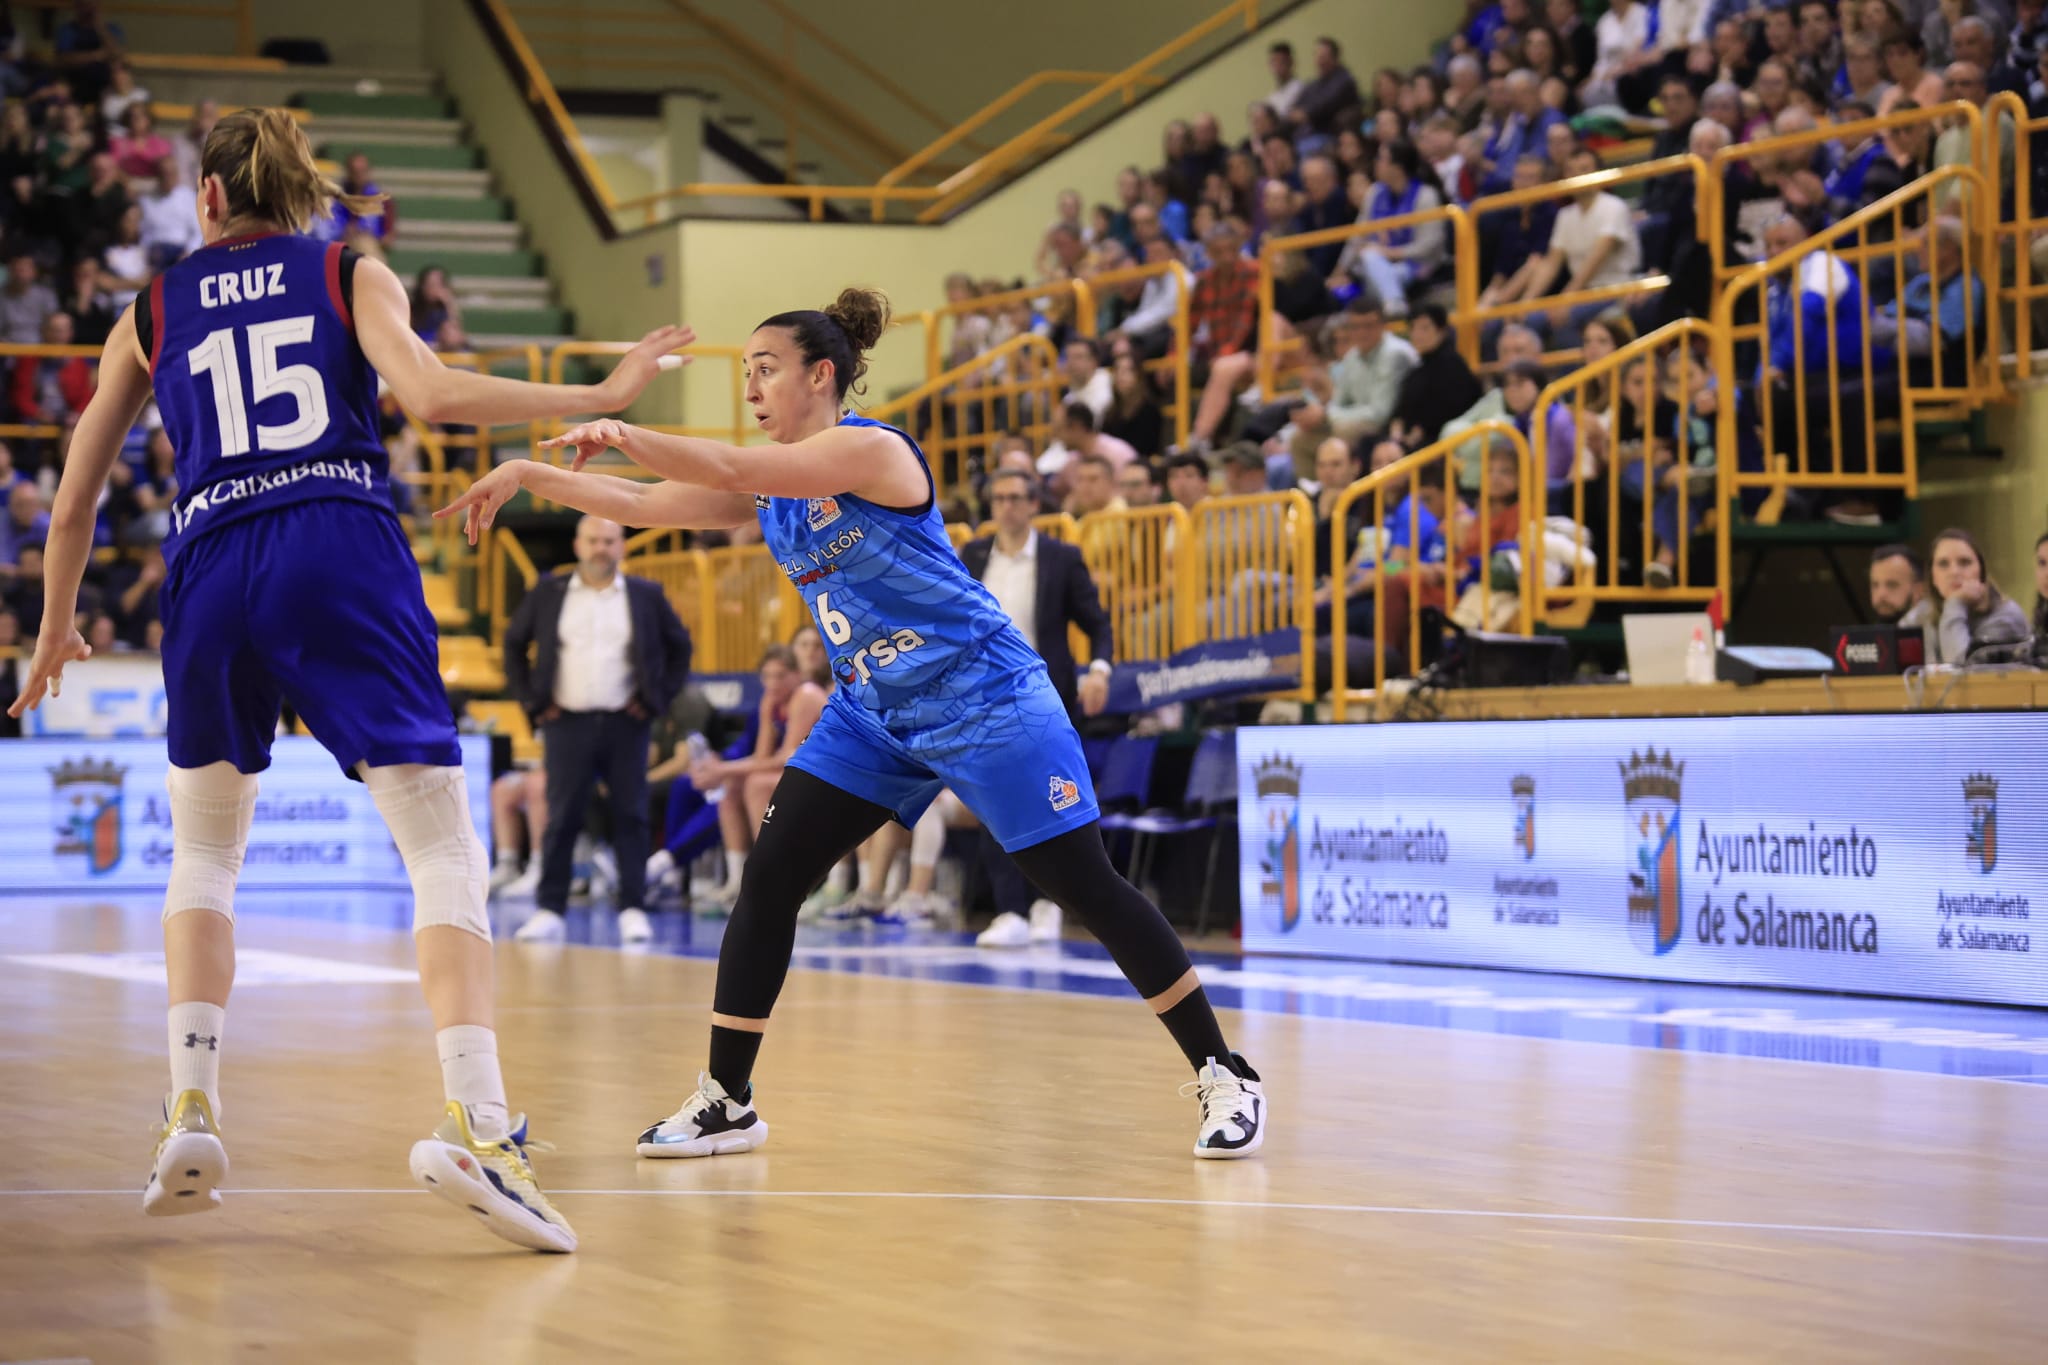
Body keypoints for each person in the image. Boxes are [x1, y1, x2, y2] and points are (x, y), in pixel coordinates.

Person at [6, 107, 695, 1253]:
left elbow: (73, 499)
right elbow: (427, 397)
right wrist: (595, 394)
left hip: (211, 559)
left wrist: (54, 629)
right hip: (335, 540)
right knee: (437, 844)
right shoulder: (345, 267)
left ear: (210, 200)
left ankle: (190, 1101)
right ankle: (477, 1118)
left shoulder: (154, 304)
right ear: (296, 196)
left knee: (206, 851)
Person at [440, 287, 1267, 1161]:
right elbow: (648, 505)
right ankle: (728, 1097)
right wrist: (532, 475)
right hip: (874, 712)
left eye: (766, 371)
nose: (752, 389)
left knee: (1086, 885)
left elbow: (720, 468)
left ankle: (1223, 1067)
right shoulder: (775, 490)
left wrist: (620, 426)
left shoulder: (872, 452)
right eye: (747, 374)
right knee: (771, 877)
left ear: (821, 374)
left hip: (982, 696)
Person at [499, 514, 692, 945]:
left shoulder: (645, 594)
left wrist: (655, 700)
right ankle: (550, 908)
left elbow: (680, 647)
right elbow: (513, 644)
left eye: (609, 540)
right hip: (566, 721)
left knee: (632, 815)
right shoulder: (549, 591)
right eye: (593, 540)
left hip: (628, 722)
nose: (600, 548)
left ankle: (632, 908)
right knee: (561, 817)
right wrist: (532, 701)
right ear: (577, 544)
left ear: (622, 545)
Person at [1927, 527, 2033, 664]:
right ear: (1932, 577)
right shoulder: (1922, 616)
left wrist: (1955, 603)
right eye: (1943, 564)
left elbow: (1961, 667)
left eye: (1964, 562)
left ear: (1981, 573)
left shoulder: (2006, 616)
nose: (1954, 572)